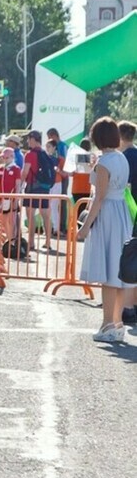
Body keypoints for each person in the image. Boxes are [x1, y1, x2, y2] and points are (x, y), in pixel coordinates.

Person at [78, 117, 136, 343]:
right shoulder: (121, 157)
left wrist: (85, 226)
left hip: (108, 215)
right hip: (121, 213)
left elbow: (99, 197)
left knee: (109, 272)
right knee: (120, 271)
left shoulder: (104, 162)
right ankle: (117, 323)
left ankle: (107, 324)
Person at [20, 130, 54, 251]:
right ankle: (48, 242)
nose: (27, 141)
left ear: (34, 139)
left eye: (29, 139)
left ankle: (31, 242)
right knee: (46, 215)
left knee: (30, 215)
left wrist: (19, 184)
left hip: (32, 187)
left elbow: (25, 172)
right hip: (44, 188)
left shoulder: (29, 155)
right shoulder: (44, 153)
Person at [118, 121, 137, 325]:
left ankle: (129, 307)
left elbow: (127, 188)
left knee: (129, 259)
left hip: (131, 212)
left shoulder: (125, 158)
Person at [0, 147, 22, 243]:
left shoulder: (16, 169)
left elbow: (18, 185)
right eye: (3, 158)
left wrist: (16, 199)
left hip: (11, 198)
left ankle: (13, 239)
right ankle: (10, 239)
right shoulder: (0, 168)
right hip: (3, 198)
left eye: (6, 157)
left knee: (12, 220)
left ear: (12, 157)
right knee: (4, 220)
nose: (4, 159)